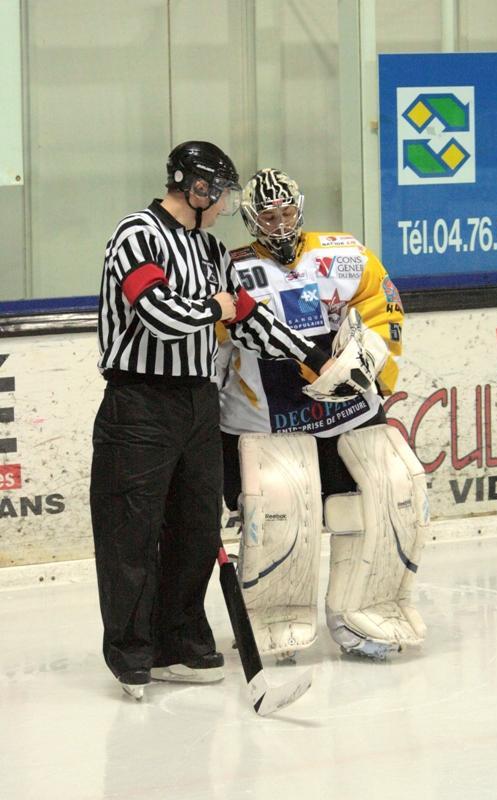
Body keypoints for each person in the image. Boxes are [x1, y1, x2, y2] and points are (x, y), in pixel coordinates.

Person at [90, 146, 332, 699]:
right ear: (196, 191)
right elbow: (159, 315)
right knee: (132, 530)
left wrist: (311, 356)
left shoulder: (211, 250)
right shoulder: (138, 235)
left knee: (197, 528)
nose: (226, 205)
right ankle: (132, 651)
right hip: (140, 404)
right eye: (220, 193)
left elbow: (247, 316)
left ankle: (178, 638)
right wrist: (218, 307)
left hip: (199, 403)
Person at [218, 168, 428, 661]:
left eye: (287, 212)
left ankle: (361, 614)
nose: (279, 223)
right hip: (265, 422)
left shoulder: (343, 253)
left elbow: (384, 305)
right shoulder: (229, 269)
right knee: (278, 516)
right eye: (267, 215)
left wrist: (373, 362)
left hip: (349, 411)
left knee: (380, 503)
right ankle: (272, 618)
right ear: (250, 219)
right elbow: (213, 344)